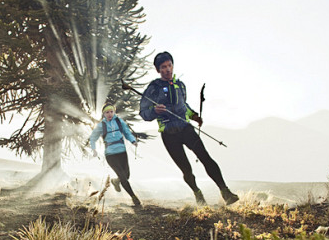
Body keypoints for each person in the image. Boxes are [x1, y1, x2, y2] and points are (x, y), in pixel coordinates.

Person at [139, 51, 239, 206]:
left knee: (205, 157)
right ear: (158, 70)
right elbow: (143, 113)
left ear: (173, 65)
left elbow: (184, 106)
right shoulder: (153, 88)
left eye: (169, 65)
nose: (167, 69)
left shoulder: (180, 85)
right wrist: (154, 111)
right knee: (186, 169)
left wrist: (194, 116)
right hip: (168, 134)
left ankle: (225, 192)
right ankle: (198, 194)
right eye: (163, 67)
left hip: (186, 129)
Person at [89, 104, 141, 207]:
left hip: (122, 152)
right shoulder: (101, 125)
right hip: (110, 154)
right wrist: (94, 149)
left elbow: (127, 132)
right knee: (123, 176)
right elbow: (93, 137)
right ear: (104, 114)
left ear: (114, 112)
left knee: (126, 175)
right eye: (107, 112)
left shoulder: (119, 121)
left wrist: (133, 141)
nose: (109, 114)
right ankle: (134, 197)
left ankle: (115, 181)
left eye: (111, 112)